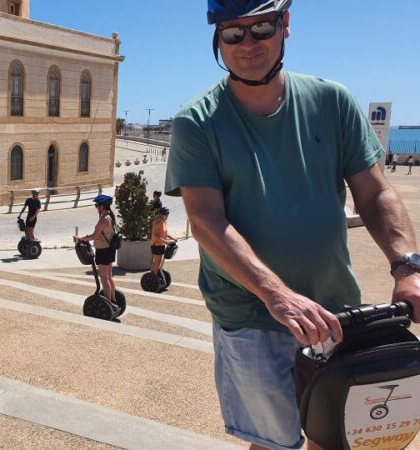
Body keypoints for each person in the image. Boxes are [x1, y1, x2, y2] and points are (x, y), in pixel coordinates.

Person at [165, 2, 420, 449]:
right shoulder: (197, 122)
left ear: (285, 26)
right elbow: (205, 219)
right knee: (272, 444)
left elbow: (375, 192)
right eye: (232, 33)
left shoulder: (331, 101)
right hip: (250, 317)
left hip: (338, 309)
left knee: (338, 437)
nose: (247, 44)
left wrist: (408, 266)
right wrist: (276, 295)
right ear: (217, 38)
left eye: (261, 27)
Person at [75, 195, 120, 312]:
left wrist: (81, 238)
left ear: (101, 206)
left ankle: (109, 304)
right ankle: (113, 301)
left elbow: (94, 236)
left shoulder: (103, 220)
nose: (96, 207)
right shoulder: (110, 217)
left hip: (103, 251)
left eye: (96, 205)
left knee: (104, 279)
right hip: (109, 250)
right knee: (109, 278)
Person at [149, 207, 177, 282]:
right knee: (157, 264)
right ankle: (152, 280)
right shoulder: (157, 222)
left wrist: (173, 238)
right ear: (161, 214)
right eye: (166, 214)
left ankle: (154, 276)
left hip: (161, 245)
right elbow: (155, 235)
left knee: (159, 263)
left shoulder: (165, 222)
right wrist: (165, 241)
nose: (167, 216)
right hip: (156, 245)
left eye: (168, 214)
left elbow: (165, 234)